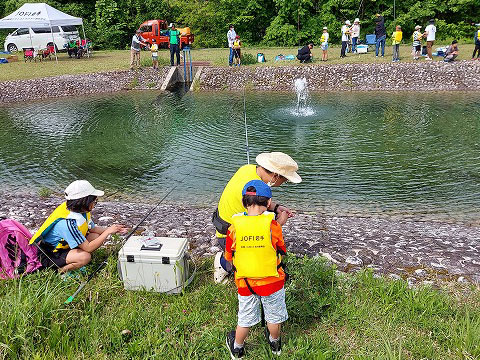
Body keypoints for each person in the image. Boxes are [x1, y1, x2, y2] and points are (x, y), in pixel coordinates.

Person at [212, 152, 301, 284]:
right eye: (285, 180)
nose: (284, 182)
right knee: (255, 265)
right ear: (275, 176)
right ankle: (223, 263)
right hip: (229, 237)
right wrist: (280, 222)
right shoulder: (247, 186)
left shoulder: (248, 169)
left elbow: (256, 200)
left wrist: (276, 208)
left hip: (226, 225)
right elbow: (261, 231)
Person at [224, 180, 288, 359]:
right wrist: (281, 221)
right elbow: (280, 248)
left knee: (244, 318)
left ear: (244, 202)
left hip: (246, 283)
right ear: (268, 204)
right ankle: (275, 344)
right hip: (273, 281)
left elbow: (229, 255)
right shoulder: (273, 225)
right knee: (273, 317)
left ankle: (237, 348)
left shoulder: (234, 227)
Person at [30, 180, 128, 273]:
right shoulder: (68, 222)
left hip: (65, 246)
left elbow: (92, 228)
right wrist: (107, 232)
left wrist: (114, 229)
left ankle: (73, 260)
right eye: (94, 202)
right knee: (85, 257)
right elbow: (88, 248)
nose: (94, 204)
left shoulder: (80, 211)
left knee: (95, 236)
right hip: (51, 254)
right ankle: (60, 271)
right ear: (84, 202)